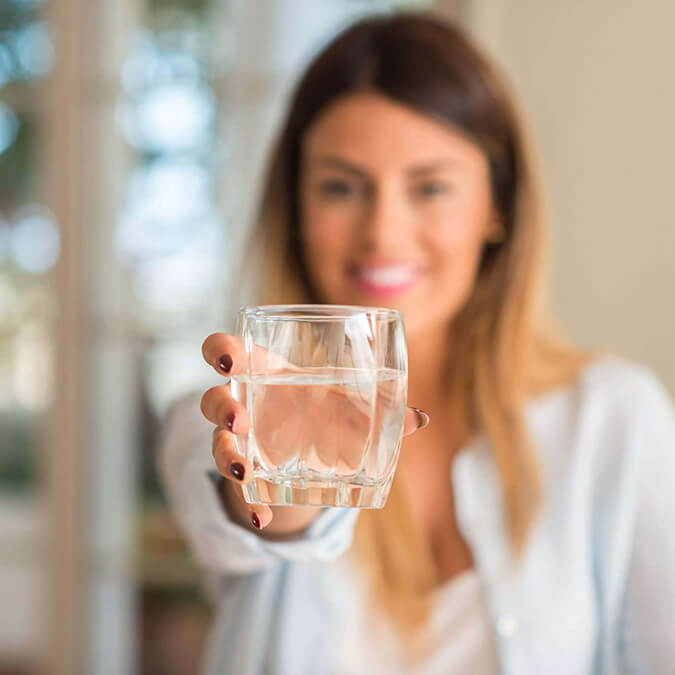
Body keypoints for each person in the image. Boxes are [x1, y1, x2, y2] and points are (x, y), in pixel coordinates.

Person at [158, 13, 675, 675]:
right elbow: (234, 521)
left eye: (429, 187)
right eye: (341, 187)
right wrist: (281, 496)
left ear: (497, 206)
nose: (382, 232)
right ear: (296, 204)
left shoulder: (614, 419)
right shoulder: (221, 413)